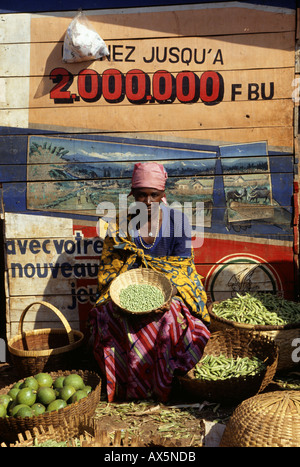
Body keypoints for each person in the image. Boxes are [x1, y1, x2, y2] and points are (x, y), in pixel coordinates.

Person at [88, 161, 210, 402]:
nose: (148, 201)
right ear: (131, 194)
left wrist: (169, 294)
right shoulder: (119, 224)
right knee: (106, 314)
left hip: (170, 292)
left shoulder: (178, 222)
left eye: (154, 194)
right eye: (141, 194)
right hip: (128, 289)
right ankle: (126, 386)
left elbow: (182, 270)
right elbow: (112, 270)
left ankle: (164, 383)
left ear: (163, 194)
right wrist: (123, 297)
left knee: (170, 315)